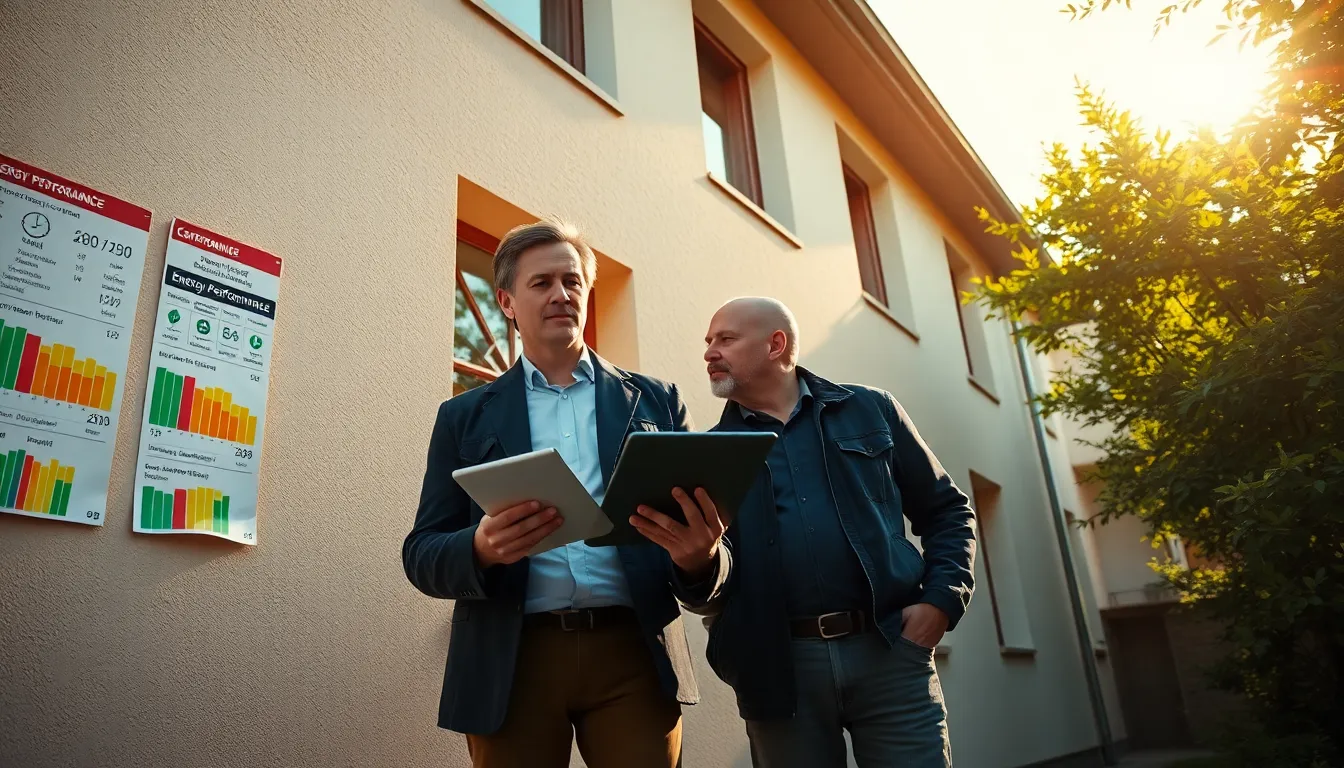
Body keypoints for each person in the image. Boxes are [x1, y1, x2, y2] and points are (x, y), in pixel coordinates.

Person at [402, 219, 730, 768]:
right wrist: (480, 548)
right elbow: (421, 554)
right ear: (506, 301)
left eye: (573, 281)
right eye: (541, 283)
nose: (561, 294)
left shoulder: (657, 402)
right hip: (510, 659)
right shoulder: (462, 418)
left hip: (635, 652)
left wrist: (702, 559)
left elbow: (709, 560)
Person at [694, 296, 977, 768]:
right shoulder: (709, 453)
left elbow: (948, 510)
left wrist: (941, 602)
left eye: (725, 339)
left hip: (889, 652)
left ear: (775, 344)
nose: (709, 352)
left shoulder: (871, 409)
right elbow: (706, 583)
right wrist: (693, 562)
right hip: (777, 668)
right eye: (708, 341)